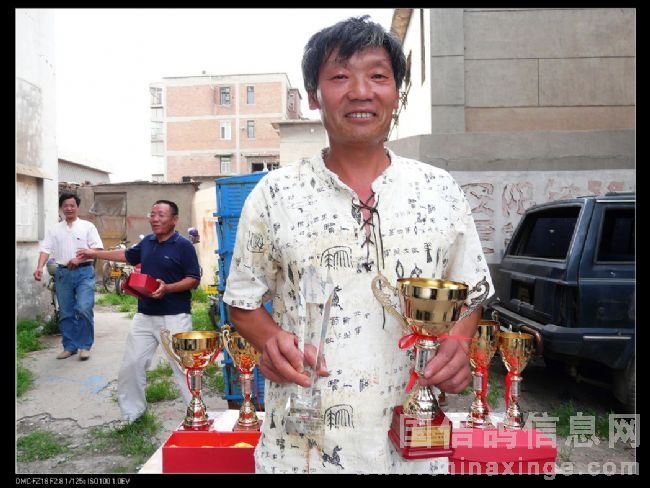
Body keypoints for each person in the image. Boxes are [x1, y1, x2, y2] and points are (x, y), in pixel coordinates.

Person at [223, 16, 494, 474]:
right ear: (314, 96)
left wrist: (459, 343)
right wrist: (272, 341)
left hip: (414, 449)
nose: (361, 91)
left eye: (378, 76)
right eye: (340, 77)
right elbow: (242, 302)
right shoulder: (275, 195)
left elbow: (471, 292)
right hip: (303, 449)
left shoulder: (439, 189)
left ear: (397, 92)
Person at [76, 200, 201, 423]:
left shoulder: (183, 246)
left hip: (175, 316)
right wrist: (93, 253)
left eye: (161, 215)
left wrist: (168, 288)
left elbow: (193, 279)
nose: (155, 219)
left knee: (184, 368)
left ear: (174, 220)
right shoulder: (148, 242)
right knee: (131, 365)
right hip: (144, 316)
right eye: (152, 214)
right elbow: (127, 256)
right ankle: (132, 414)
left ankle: (197, 416)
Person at [34, 193, 104, 361]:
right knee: (65, 312)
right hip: (63, 274)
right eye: (65, 205)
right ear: (61, 208)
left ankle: (85, 346)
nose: (69, 208)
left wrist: (79, 259)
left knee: (84, 307)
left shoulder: (87, 226)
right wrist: (39, 267)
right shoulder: (54, 229)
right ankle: (70, 347)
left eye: (72, 205)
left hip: (84, 272)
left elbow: (97, 249)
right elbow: (45, 249)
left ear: (77, 207)